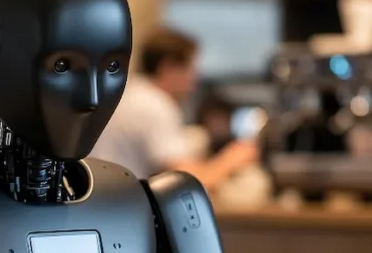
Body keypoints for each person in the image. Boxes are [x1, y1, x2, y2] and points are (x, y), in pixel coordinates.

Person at [92, 28, 258, 187]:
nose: (195, 79)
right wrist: (233, 158)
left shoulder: (128, 94)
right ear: (169, 67)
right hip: (125, 202)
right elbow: (188, 182)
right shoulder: (154, 105)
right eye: (191, 68)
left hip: (104, 198)